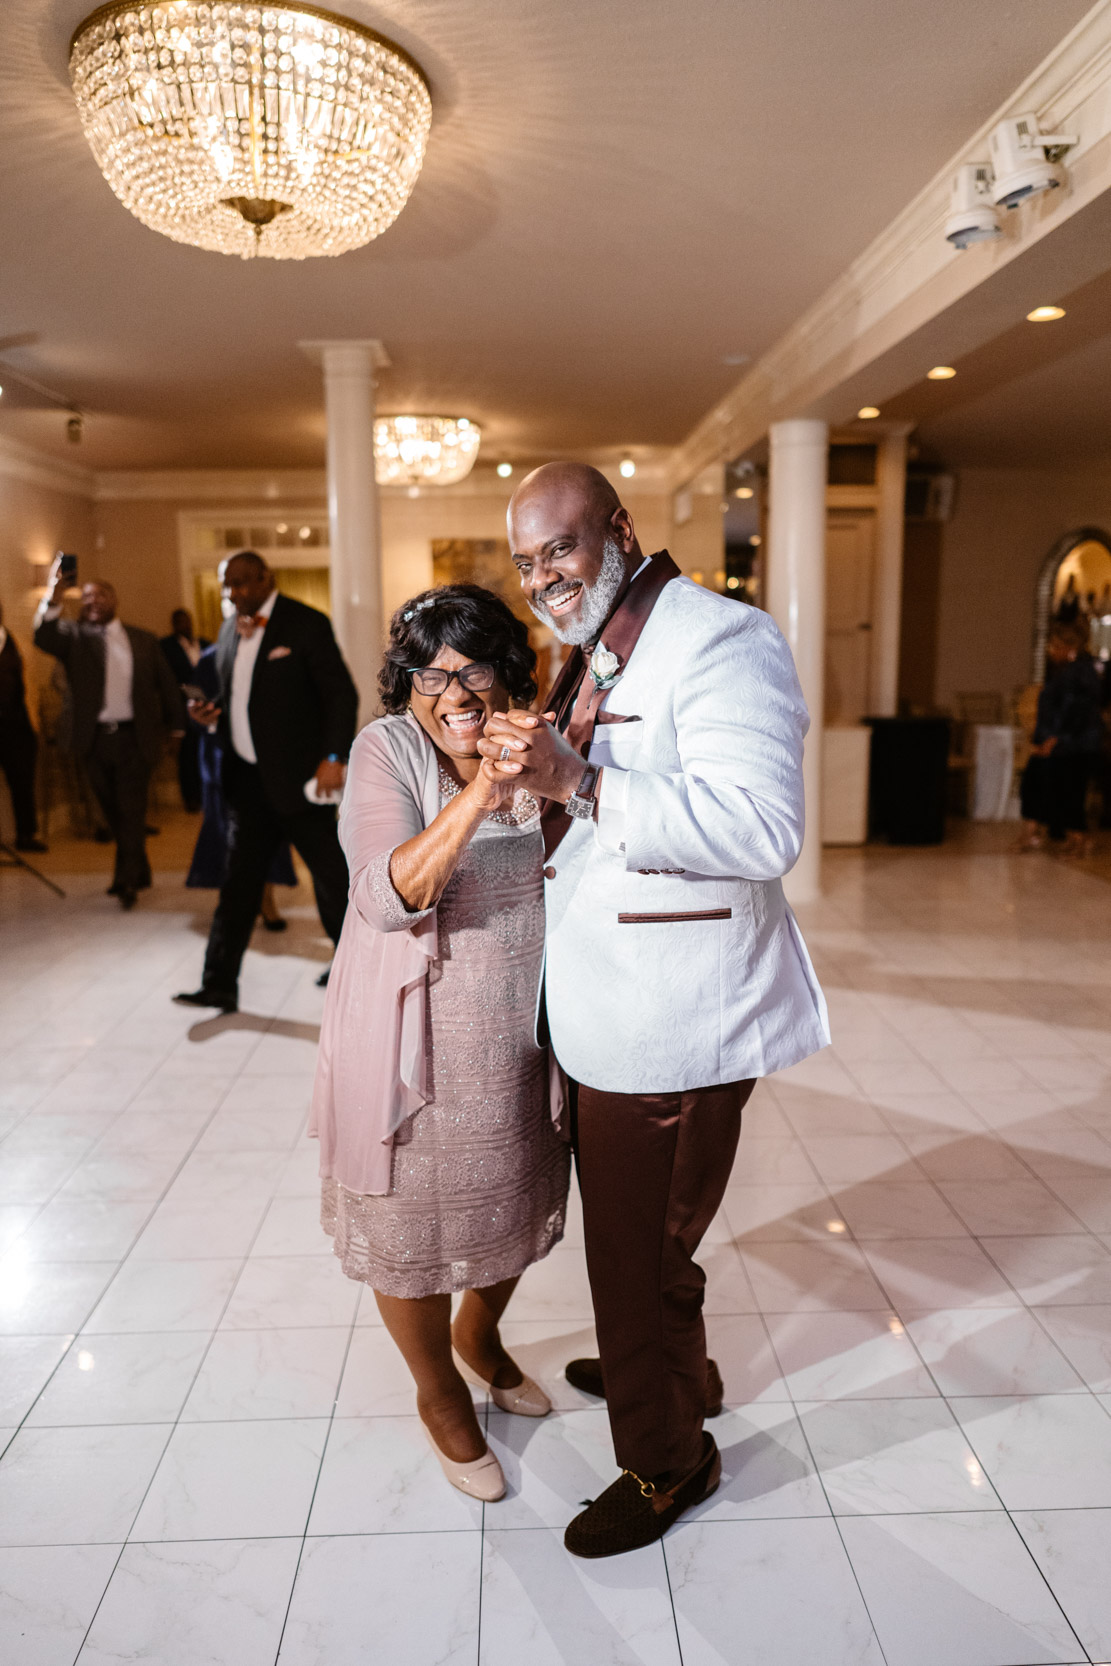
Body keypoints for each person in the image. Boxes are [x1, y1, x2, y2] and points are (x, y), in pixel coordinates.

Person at [478, 462, 830, 1558]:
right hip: (606, 1007)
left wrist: (579, 780)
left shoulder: (721, 637)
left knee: (632, 1254)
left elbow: (762, 831)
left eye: (562, 551)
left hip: (671, 1020)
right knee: (647, 1245)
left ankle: (668, 1458)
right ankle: (682, 1373)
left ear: (619, 530)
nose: (544, 580)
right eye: (527, 563)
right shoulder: (597, 645)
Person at [309, 584, 570, 1504]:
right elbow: (385, 897)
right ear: (406, 686)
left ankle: (482, 1335)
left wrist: (542, 770)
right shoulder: (387, 749)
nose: (453, 692)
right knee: (412, 1230)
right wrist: (484, 791)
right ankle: (437, 1392)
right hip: (409, 1043)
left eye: (473, 668)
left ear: (506, 670)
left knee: (511, 1203)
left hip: (523, 1036)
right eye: (429, 674)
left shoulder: (541, 741)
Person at [174, 551, 357, 1012]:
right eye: (226, 586)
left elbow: (341, 694)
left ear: (265, 578)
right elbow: (236, 699)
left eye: (240, 583)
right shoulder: (227, 628)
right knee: (238, 885)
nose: (233, 593)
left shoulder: (306, 623)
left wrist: (334, 757)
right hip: (248, 783)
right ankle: (218, 983)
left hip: (300, 781)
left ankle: (354, 969)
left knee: (333, 879)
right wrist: (207, 717)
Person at [33, 559, 184, 907]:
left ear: (114, 600)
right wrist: (54, 593)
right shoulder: (73, 637)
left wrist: (177, 728)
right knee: (112, 811)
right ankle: (139, 868)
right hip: (93, 740)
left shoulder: (142, 639)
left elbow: (167, 686)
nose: (92, 601)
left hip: (136, 738)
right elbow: (42, 635)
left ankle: (125, 881)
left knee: (131, 810)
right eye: (86, 596)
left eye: (100, 595)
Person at [184, 640, 296, 930]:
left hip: (269, 761)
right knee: (228, 836)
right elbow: (197, 712)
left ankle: (267, 900)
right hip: (222, 761)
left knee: (273, 835)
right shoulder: (211, 658)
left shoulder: (276, 653)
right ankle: (236, 904)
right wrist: (204, 718)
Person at [1019, 620, 1104, 856]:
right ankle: (1062, 835)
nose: (1051, 651)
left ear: (1069, 647)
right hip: (1068, 742)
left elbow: (1073, 711)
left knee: (1070, 788)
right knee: (1055, 784)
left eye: (1055, 645)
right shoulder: (1069, 671)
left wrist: (1054, 739)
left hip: (1075, 744)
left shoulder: (1079, 673)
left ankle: (1078, 838)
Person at [0, 600, 46, 852]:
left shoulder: (12, 641)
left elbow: (26, 684)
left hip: (16, 725)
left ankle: (26, 835)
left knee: (22, 782)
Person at [160, 608, 211, 812]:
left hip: (207, 706)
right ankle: (191, 798)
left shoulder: (206, 644)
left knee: (208, 752)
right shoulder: (165, 646)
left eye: (186, 621)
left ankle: (210, 793)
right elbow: (166, 680)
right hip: (182, 708)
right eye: (179, 622)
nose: (184, 626)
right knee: (188, 756)